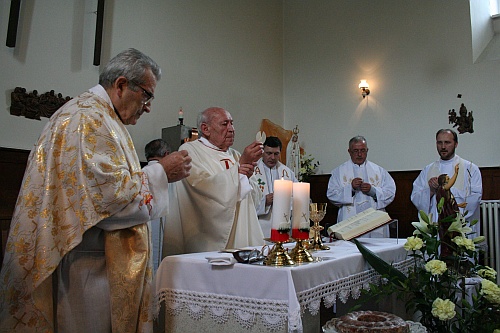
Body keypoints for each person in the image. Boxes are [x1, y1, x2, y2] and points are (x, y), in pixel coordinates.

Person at [0, 48, 192, 333]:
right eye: (147, 95)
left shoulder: (103, 118)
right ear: (122, 85)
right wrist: (161, 172)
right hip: (88, 268)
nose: (148, 106)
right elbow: (109, 202)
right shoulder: (88, 120)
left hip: (97, 262)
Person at [163, 107, 264, 255]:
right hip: (206, 241)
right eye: (224, 124)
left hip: (241, 236)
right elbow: (201, 188)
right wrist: (237, 173)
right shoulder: (189, 151)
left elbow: (252, 198)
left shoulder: (235, 155)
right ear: (206, 129)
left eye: (232, 123)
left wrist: (244, 177)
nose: (231, 129)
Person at [411, 128, 482, 235]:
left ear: (456, 144)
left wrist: (445, 190)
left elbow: (475, 197)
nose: (443, 147)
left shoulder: (470, 169)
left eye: (447, 142)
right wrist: (430, 191)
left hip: (460, 226)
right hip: (436, 225)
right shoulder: (428, 170)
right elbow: (416, 197)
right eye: (440, 143)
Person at [327, 135, 396, 237]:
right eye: (355, 151)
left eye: (363, 150)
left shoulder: (379, 171)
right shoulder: (339, 172)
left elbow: (390, 192)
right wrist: (350, 188)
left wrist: (373, 191)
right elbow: (331, 194)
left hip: (374, 221)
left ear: (367, 150)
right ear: (349, 151)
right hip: (349, 220)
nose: (359, 154)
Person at [253, 136, 298, 237]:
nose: (272, 157)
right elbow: (246, 202)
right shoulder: (252, 172)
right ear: (262, 152)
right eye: (269, 153)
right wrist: (265, 202)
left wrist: (285, 199)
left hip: (283, 225)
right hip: (260, 226)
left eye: (276, 154)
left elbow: (298, 198)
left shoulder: (287, 173)